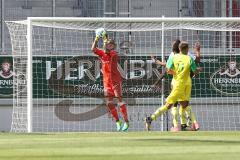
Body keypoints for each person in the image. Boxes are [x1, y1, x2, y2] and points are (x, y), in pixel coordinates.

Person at [145, 41, 201, 131]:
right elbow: (168, 69)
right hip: (179, 84)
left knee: (183, 104)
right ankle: (179, 125)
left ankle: (184, 125)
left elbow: (167, 68)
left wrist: (158, 63)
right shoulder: (185, 57)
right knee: (172, 105)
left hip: (181, 83)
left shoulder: (177, 57)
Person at [91, 28, 129, 131]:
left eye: (111, 45)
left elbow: (106, 50)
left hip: (115, 81)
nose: (109, 46)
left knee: (120, 101)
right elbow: (93, 49)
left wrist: (105, 39)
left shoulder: (114, 54)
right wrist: (97, 38)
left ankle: (126, 121)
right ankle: (118, 121)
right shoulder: (103, 54)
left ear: (114, 46)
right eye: (109, 44)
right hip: (106, 82)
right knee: (109, 103)